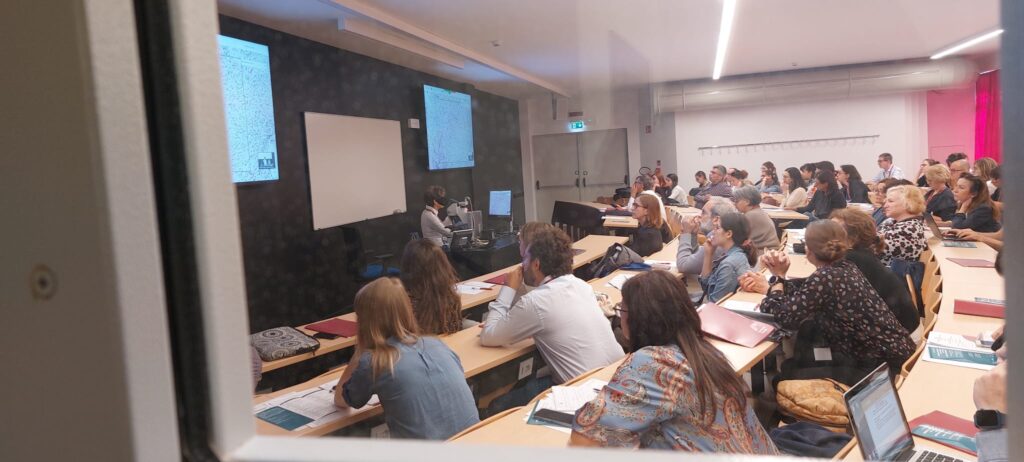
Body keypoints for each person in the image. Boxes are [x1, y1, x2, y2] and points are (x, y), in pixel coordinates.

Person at [569, 271, 779, 454]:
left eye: (621, 310)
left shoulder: (653, 364)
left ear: (635, 318)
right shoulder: (706, 353)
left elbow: (585, 441)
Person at [740, 221, 915, 377]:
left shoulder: (826, 276)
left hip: (880, 367)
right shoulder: (845, 266)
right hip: (893, 353)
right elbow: (807, 293)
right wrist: (777, 282)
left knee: (785, 375)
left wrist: (778, 279)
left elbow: (783, 318)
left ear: (808, 250)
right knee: (796, 361)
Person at [333, 278, 479, 440]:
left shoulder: (374, 361)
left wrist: (360, 351)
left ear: (365, 321)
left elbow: (341, 400)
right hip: (472, 444)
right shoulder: (437, 344)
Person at [480, 227, 624, 388]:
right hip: (617, 378)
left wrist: (508, 288)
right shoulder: (581, 285)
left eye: (525, 258)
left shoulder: (536, 302)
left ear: (536, 264)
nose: (522, 265)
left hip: (586, 392)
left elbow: (489, 336)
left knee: (503, 399)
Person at [829, 209, 921, 341]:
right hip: (907, 329)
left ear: (853, 237)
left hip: (901, 339)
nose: (825, 232)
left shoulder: (850, 259)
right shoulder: (860, 254)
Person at [399, 240, 465, 335]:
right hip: (448, 341)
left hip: (420, 343)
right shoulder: (450, 295)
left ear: (407, 266)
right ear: (442, 265)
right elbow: (456, 327)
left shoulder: (403, 301)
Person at [700, 213, 756, 303]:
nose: (713, 231)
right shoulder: (737, 255)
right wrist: (708, 254)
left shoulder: (728, 264)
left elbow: (715, 304)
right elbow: (706, 286)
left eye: (717, 228)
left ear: (728, 234)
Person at [675, 197, 737, 277]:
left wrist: (686, 232)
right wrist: (693, 235)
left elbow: (683, 266)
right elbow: (696, 258)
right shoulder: (726, 234)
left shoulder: (718, 240)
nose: (699, 216)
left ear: (716, 219)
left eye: (703, 213)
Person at [877, 185, 927, 266]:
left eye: (890, 201)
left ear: (908, 203)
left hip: (889, 272)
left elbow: (870, 249)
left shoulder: (908, 229)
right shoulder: (891, 221)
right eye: (885, 202)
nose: (885, 205)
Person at [732, 186, 780, 252]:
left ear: (747, 202)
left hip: (763, 253)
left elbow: (735, 238)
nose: (734, 204)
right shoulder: (758, 212)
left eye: (737, 201)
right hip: (770, 251)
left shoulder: (750, 216)